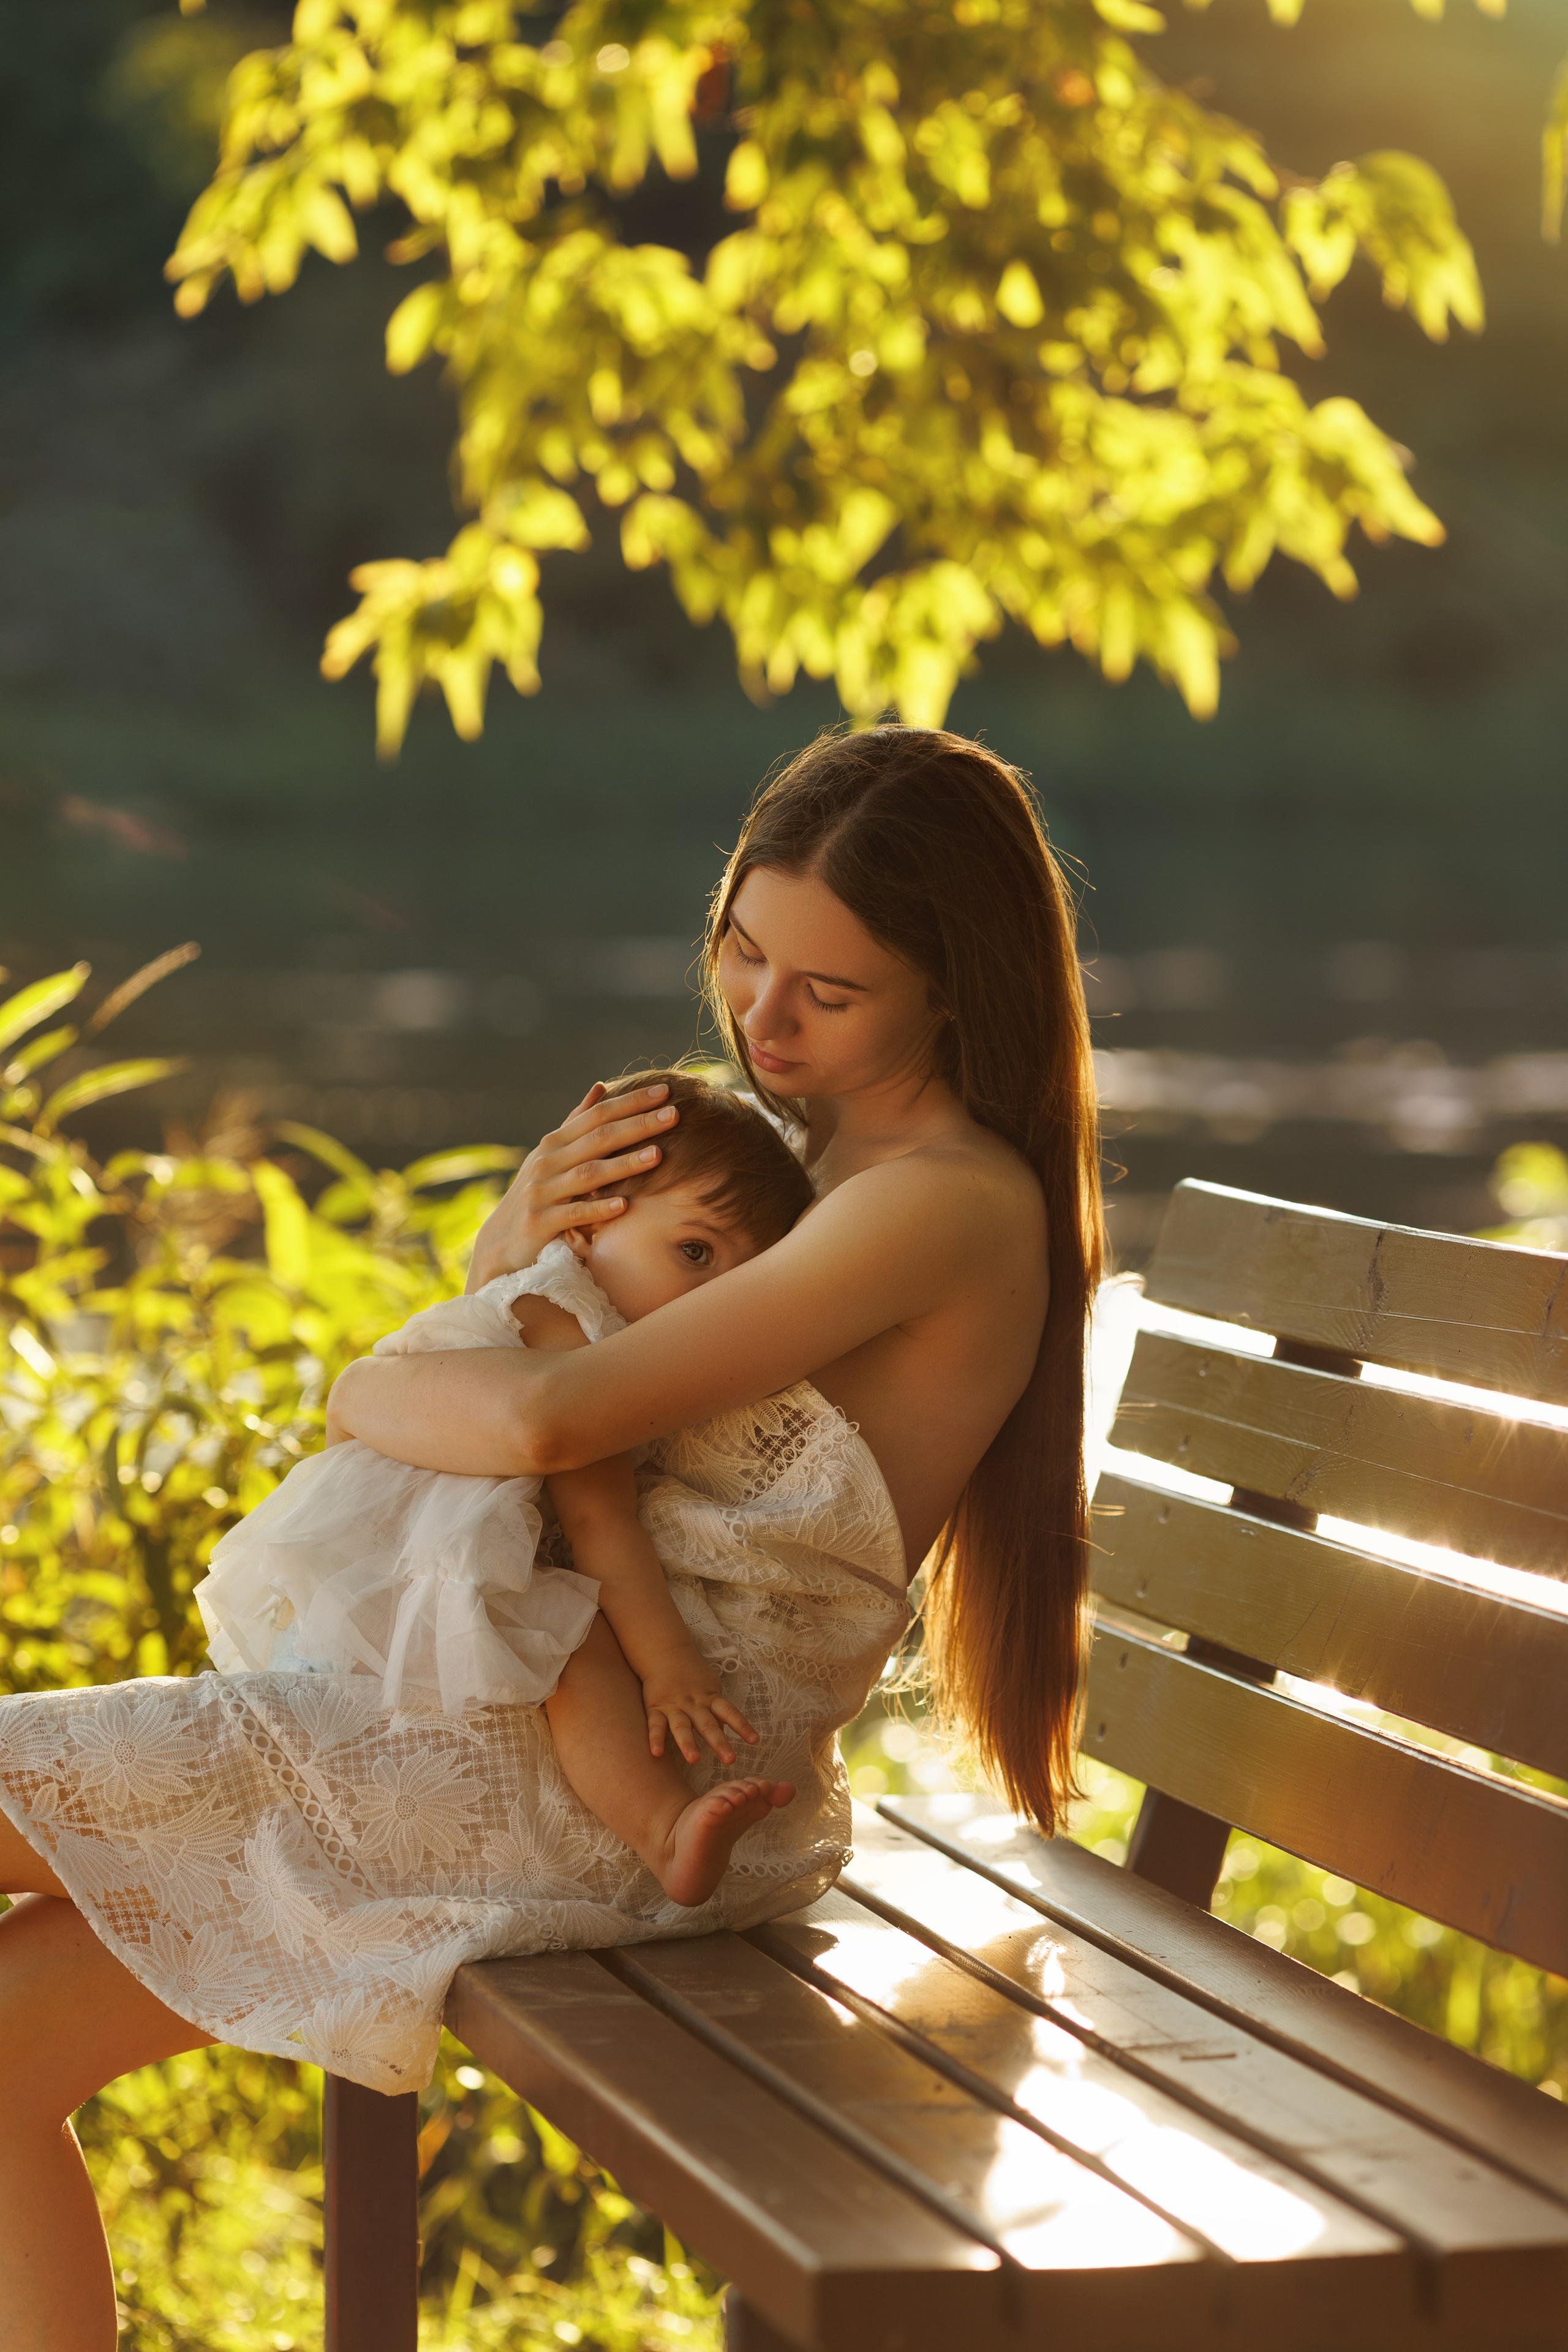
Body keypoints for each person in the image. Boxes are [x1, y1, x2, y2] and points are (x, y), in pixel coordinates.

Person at [0, 722, 1102, 2352]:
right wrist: (516, 1244)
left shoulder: (932, 1201)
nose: (764, 1017)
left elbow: (538, 1424)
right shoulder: (810, 1164)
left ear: (955, 987)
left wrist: (367, 1375)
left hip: (627, 1779)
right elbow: (558, 1386)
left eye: (831, 990)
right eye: (744, 949)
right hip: (538, 1718)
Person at [196, 1071, 810, 1908]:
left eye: (736, 1278)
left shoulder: (547, 1296)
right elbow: (599, 1515)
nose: (710, 1300)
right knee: (577, 1644)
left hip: (380, 1561)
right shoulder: (571, 1325)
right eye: (694, 1253)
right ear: (591, 1219)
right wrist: (670, 1668)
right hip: (417, 1553)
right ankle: (662, 1830)